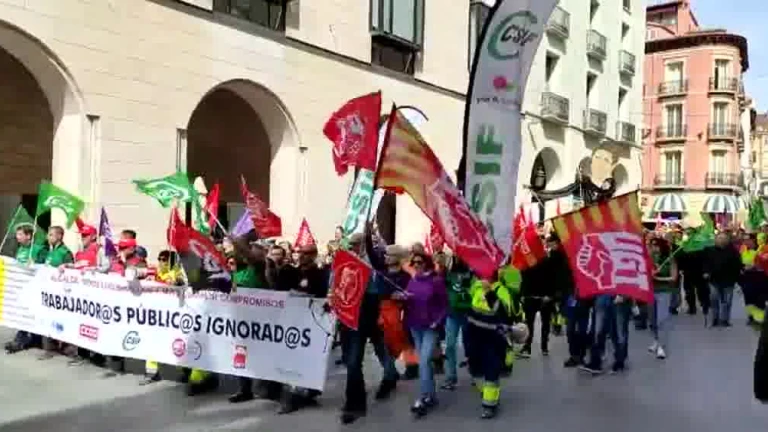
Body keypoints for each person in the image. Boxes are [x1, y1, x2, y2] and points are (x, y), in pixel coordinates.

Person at [338, 232, 400, 425]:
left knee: (372, 352)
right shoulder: (345, 264)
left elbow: (379, 286)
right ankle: (356, 401)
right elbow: (338, 288)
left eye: (357, 244)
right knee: (354, 360)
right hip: (352, 317)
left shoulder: (374, 262)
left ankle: (385, 381)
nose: (353, 248)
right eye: (351, 245)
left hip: (369, 313)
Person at [464, 266, 521, 419]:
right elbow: (466, 305)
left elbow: (503, 313)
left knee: (491, 371)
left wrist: (489, 293)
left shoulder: (501, 291)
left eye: (485, 275)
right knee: (476, 371)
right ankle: (486, 393)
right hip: (473, 337)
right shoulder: (475, 288)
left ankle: (489, 405)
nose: (481, 278)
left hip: (492, 339)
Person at [278, 244, 329, 414]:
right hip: (293, 321)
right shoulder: (292, 271)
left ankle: (302, 394)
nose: (301, 255)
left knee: (306, 358)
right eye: (298, 252)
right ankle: (294, 395)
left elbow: (320, 294)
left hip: (311, 322)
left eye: (306, 253)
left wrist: (302, 295)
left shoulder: (320, 273)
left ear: (314, 255)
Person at [400, 252, 447, 417]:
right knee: (423, 362)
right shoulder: (413, 280)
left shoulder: (436, 281)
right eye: (413, 262)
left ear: (426, 263)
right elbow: (409, 299)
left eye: (419, 262)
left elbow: (444, 305)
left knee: (424, 361)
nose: (416, 265)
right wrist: (404, 297)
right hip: (415, 325)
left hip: (430, 327)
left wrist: (438, 321)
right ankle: (431, 396)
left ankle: (424, 397)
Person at [4, 224, 47, 354]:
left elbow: (45, 267)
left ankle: (22, 340)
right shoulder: (21, 249)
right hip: (20, 286)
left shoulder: (39, 249)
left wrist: (34, 264)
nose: (17, 237)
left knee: (29, 313)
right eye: (17, 234)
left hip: (34, 287)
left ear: (28, 236)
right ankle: (32, 339)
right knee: (21, 312)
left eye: (20, 234)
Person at [38, 226, 75, 360]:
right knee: (47, 319)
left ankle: (68, 347)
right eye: (48, 234)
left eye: (51, 235)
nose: (48, 237)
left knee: (63, 320)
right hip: (48, 292)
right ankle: (49, 348)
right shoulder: (49, 251)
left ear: (59, 236)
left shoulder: (65, 252)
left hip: (61, 293)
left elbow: (72, 271)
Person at [579, 291, 632, 375]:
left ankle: (619, 361)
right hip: (602, 296)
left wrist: (624, 295)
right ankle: (596, 362)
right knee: (599, 331)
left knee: (618, 332)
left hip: (617, 295)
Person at [441, 257, 472, 390]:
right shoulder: (447, 273)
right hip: (452, 314)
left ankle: (475, 373)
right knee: (450, 345)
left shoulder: (472, 273)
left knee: (470, 345)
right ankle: (451, 376)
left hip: (468, 313)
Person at [704, 232, 743, 327]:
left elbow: (737, 265)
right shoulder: (709, 250)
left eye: (724, 238)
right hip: (714, 280)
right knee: (714, 300)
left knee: (727, 301)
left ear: (728, 240)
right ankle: (715, 318)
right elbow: (705, 263)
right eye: (720, 238)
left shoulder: (733, 251)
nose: (722, 240)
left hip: (728, 280)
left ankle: (725, 319)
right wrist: (706, 272)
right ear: (716, 240)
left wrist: (738, 278)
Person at [649, 237, 679, 359]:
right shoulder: (648, 258)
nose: (654, 248)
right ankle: (656, 340)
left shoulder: (670, 259)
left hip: (664, 291)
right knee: (652, 320)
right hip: (650, 291)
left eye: (656, 245)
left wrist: (658, 278)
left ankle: (662, 346)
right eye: (652, 245)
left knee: (661, 319)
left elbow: (674, 277)